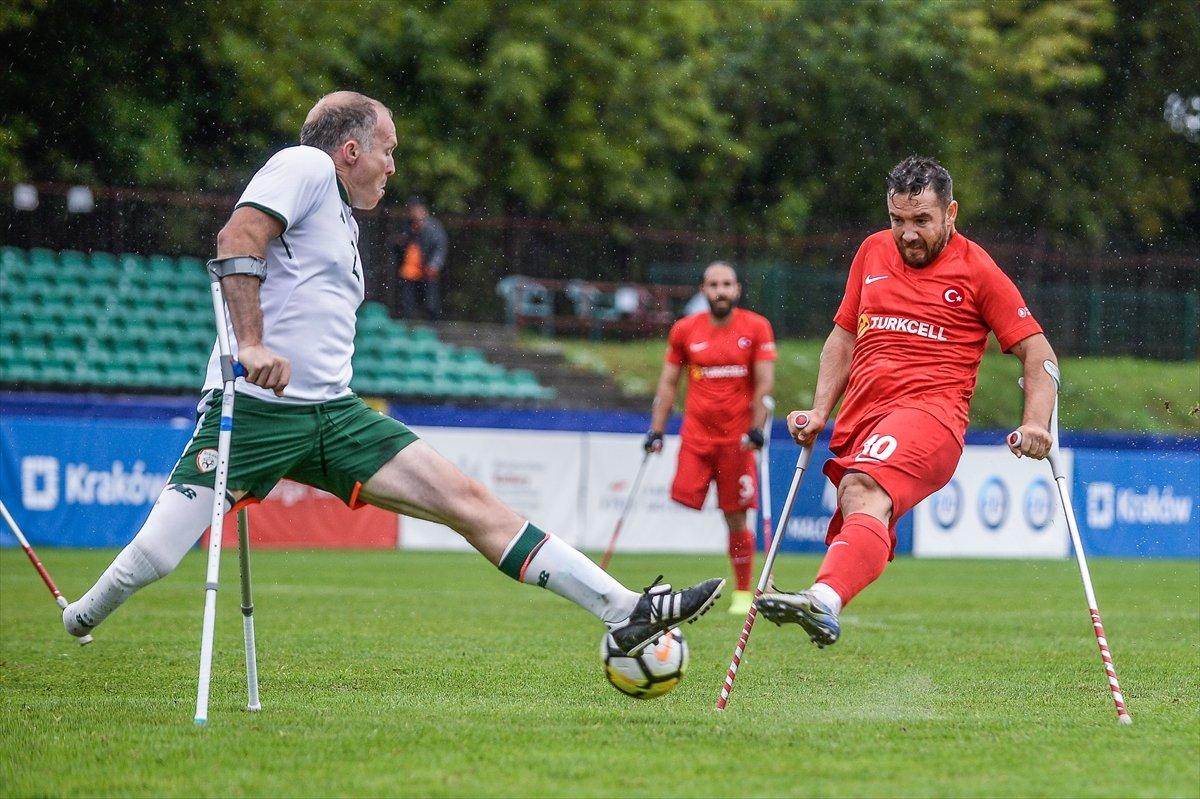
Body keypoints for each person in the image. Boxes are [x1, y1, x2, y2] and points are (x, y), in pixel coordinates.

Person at [62, 91, 724, 657]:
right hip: (258, 408)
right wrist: (251, 345)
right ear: (350, 149)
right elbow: (238, 237)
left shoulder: (342, 217)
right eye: (388, 148)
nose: (392, 164)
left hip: (334, 414)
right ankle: (80, 615)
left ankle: (627, 607)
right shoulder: (304, 167)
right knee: (158, 553)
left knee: (472, 503)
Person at [756, 155, 1057, 646]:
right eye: (898, 220)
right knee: (857, 500)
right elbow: (843, 337)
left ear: (951, 213)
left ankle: (823, 601)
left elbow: (1037, 351)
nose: (908, 234)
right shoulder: (872, 252)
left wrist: (1037, 421)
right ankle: (828, 599)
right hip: (865, 418)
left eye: (922, 220)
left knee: (865, 486)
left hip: (930, 417)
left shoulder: (977, 269)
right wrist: (818, 411)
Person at [645, 262, 776, 616]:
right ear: (703, 290)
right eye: (714, 285)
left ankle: (744, 592)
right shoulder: (685, 330)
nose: (721, 291)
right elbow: (669, 383)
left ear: (737, 290)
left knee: (735, 517)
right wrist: (657, 429)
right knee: (682, 499)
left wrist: (758, 427)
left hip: (738, 441)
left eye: (727, 284)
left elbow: (764, 384)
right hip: (697, 439)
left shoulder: (756, 326)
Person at [397, 196, 448, 321]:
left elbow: (440, 247)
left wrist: (434, 265)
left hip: (427, 271)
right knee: (407, 304)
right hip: (410, 272)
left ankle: (434, 329)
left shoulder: (433, 227)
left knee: (431, 303)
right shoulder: (408, 227)